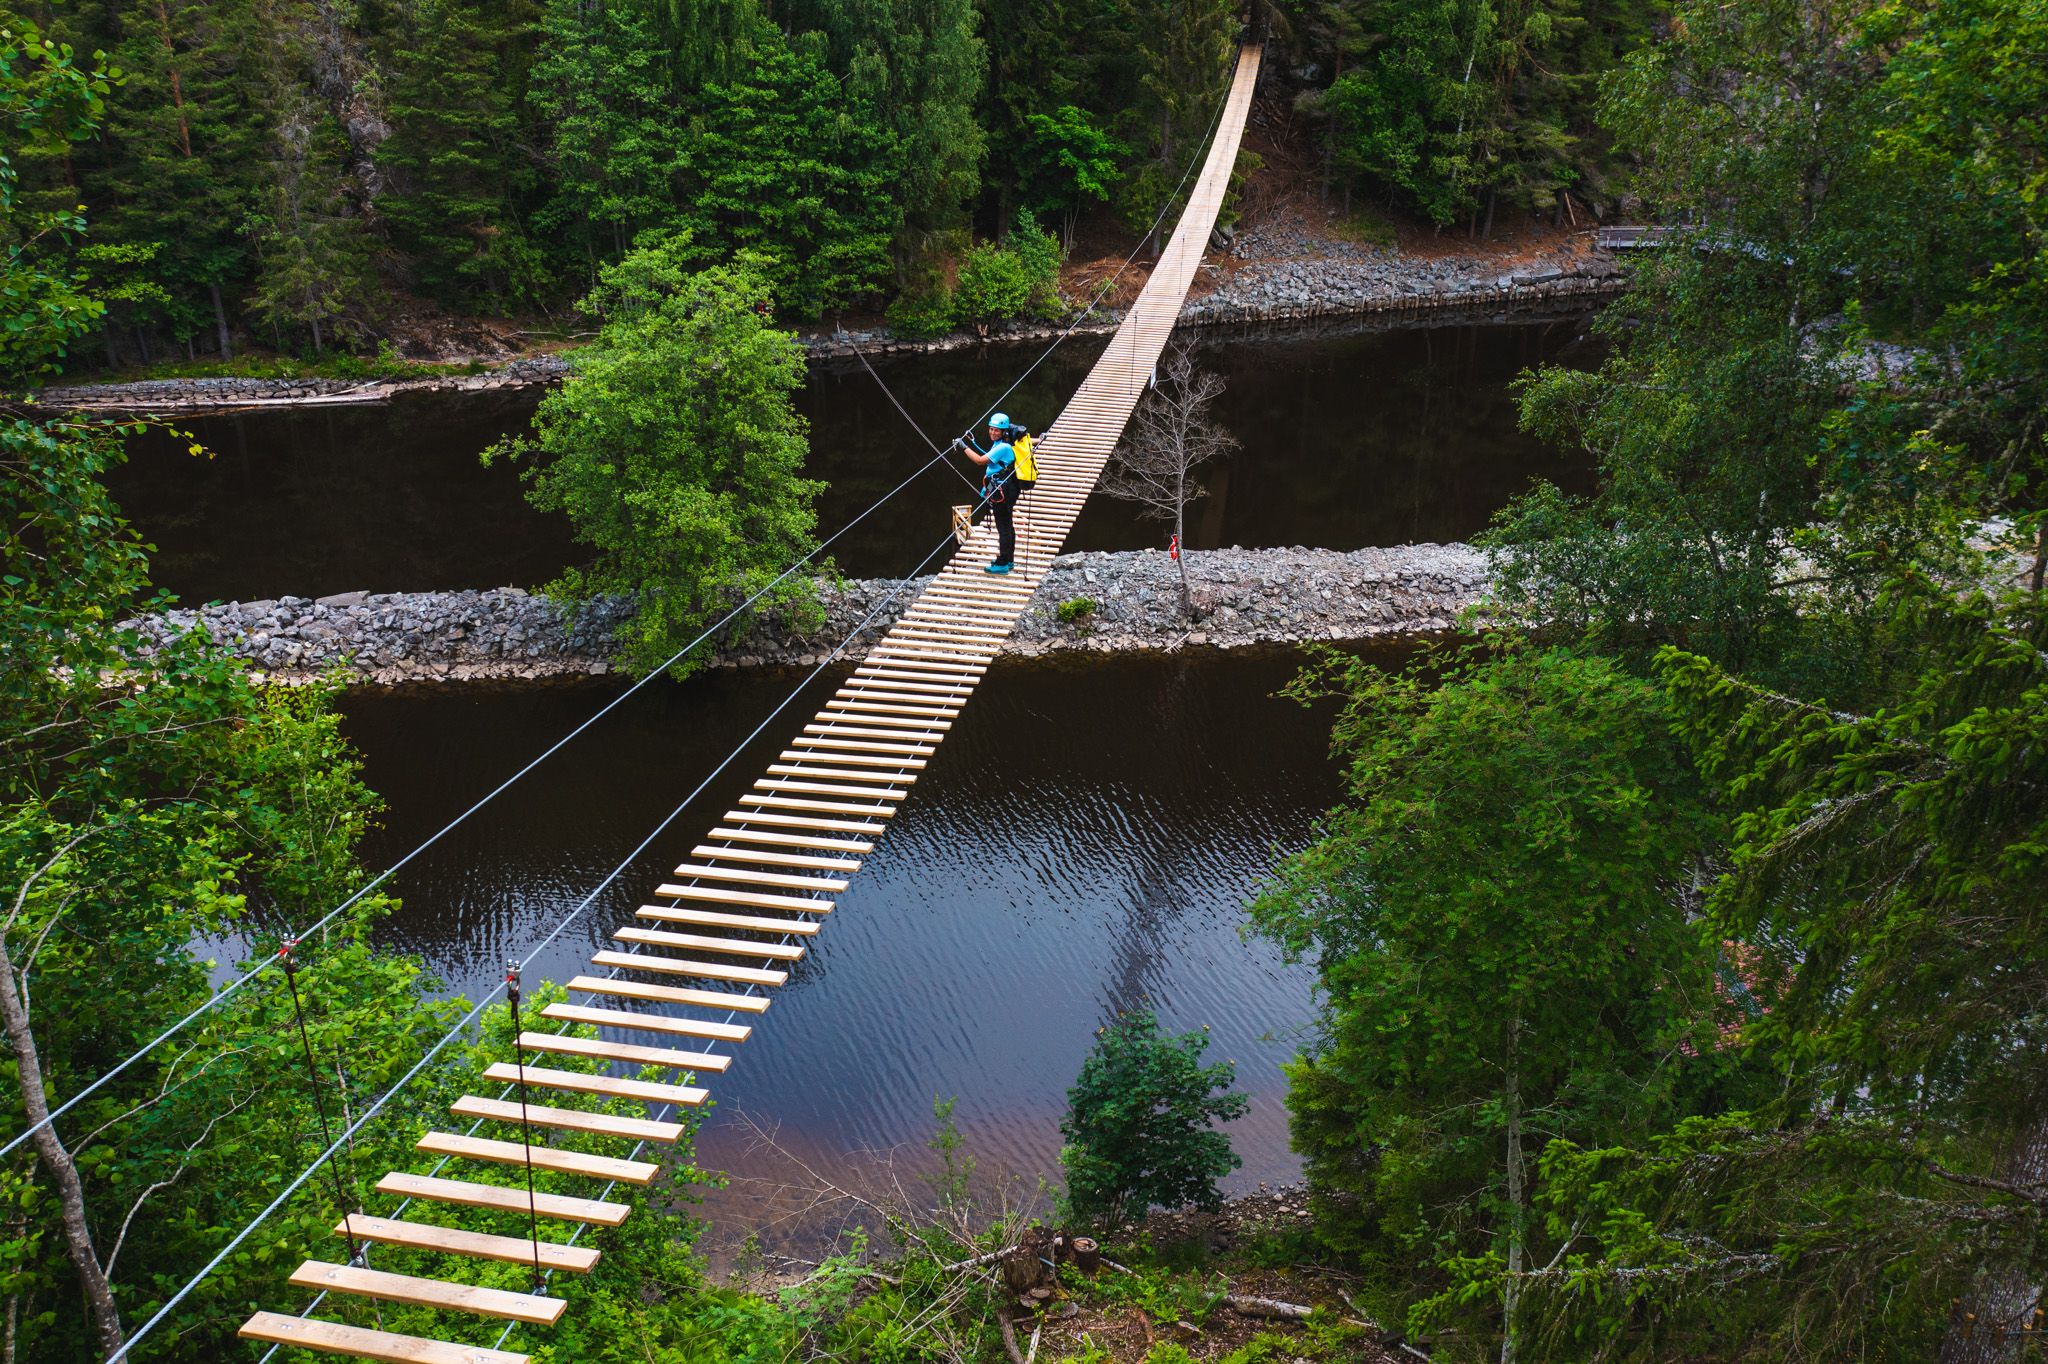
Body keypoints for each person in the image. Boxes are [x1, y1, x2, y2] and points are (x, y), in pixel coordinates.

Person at [954, 413, 1023, 573]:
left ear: (1004, 431)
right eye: (991, 429)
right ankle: (1009, 559)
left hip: (1003, 491)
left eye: (996, 430)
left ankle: (1003, 563)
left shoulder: (1003, 447)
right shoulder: (1004, 442)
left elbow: (979, 460)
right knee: (1007, 524)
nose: (992, 433)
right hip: (1008, 488)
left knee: (1003, 527)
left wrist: (963, 446)